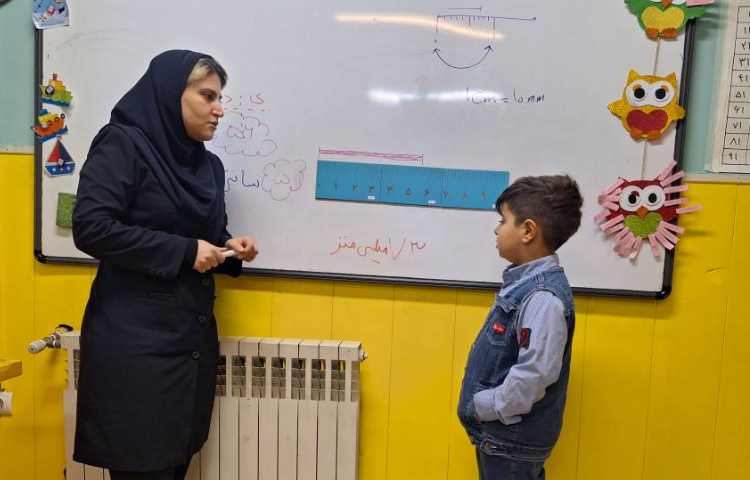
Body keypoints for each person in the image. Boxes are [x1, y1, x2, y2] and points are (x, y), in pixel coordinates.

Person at [72, 50, 258, 480]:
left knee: (176, 463)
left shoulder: (209, 165)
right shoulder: (123, 144)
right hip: (136, 348)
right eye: (208, 96)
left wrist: (229, 246)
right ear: (173, 94)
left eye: (220, 98)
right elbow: (92, 228)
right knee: (141, 467)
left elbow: (203, 234)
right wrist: (185, 251)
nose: (219, 109)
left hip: (190, 345)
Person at [457, 175, 583, 479]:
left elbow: (534, 374)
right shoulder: (525, 286)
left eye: (503, 220)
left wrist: (486, 405)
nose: (496, 229)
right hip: (503, 440)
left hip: (510, 442)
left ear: (528, 231)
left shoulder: (543, 298)